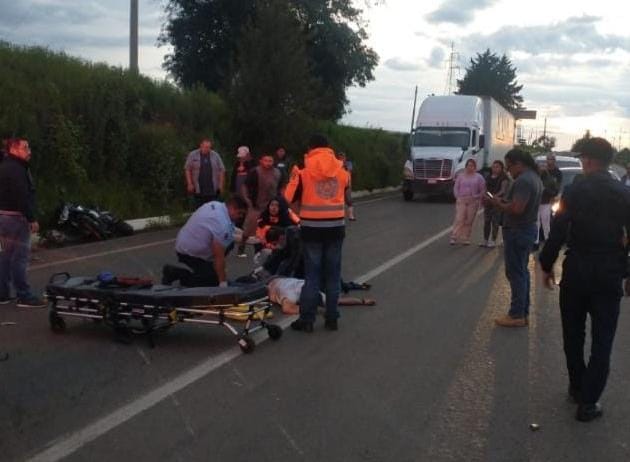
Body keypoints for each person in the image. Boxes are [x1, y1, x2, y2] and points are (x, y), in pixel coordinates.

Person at [539, 137, 630, 422]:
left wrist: (546, 264)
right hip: (609, 273)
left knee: (573, 334)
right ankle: (588, 402)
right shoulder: (623, 193)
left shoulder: (575, 191)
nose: (581, 163)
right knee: (603, 340)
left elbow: (558, 229)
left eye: (582, 159)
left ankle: (577, 387)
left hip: (576, 270)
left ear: (589, 161)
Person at [284, 134, 350, 332]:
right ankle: (332, 318)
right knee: (333, 274)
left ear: (310, 148)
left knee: (312, 275)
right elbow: (346, 188)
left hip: (312, 229)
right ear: (328, 147)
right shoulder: (341, 169)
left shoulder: (304, 172)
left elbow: (287, 197)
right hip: (336, 228)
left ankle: (307, 320)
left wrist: (294, 177)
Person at [487, 148, 542, 327]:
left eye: (509, 166)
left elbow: (517, 209)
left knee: (516, 273)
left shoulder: (524, 180)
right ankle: (522, 312)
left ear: (518, 163)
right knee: (522, 272)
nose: (508, 171)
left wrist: (497, 204)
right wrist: (504, 203)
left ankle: (516, 314)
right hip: (525, 229)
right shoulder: (534, 177)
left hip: (518, 230)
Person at [0, 138, 47, 307]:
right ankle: (24, 295)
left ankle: (3, 294)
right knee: (20, 258)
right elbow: (21, 196)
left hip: (3, 218)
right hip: (16, 218)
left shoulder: (5, 165)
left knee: (5, 257)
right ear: (13, 148)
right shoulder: (16, 169)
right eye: (25, 147)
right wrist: (31, 218)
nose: (29, 151)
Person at [164, 196, 248, 287]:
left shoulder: (216, 205)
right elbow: (219, 257)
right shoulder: (222, 223)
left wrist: (249, 237)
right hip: (189, 254)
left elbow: (231, 231)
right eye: (239, 213)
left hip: (184, 244)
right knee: (211, 282)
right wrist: (223, 283)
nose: (241, 217)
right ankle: (177, 274)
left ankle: (207, 269)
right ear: (232, 207)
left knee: (229, 242)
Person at [238, 153, 282, 257]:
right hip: (256, 205)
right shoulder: (255, 172)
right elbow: (245, 186)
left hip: (271, 205)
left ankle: (270, 250)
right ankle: (241, 247)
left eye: (270, 161)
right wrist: (247, 200)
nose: (268, 163)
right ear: (261, 161)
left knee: (272, 229)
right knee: (249, 229)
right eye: (266, 161)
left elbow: (281, 188)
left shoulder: (277, 173)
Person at [268, 276, 375, 315]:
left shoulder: (315, 291)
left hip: (284, 279)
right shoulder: (291, 295)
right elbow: (287, 309)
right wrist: (315, 310)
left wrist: (362, 301)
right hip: (270, 283)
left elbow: (339, 300)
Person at [450, 159, 485, 245]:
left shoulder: (479, 177)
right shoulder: (461, 176)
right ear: (466, 167)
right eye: (468, 165)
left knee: (469, 220)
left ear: (475, 167)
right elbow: (456, 187)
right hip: (462, 199)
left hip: (473, 201)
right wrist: (457, 196)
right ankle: (454, 236)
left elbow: (483, 189)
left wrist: (477, 197)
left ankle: (465, 237)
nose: (470, 167)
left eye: (472, 166)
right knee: (459, 218)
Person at [184, 138, 226, 208]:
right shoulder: (193, 154)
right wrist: (189, 183)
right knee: (199, 208)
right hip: (198, 188)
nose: (208, 149)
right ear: (201, 146)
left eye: (209, 147)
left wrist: (221, 185)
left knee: (212, 209)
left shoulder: (215, 155)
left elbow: (222, 170)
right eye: (206, 147)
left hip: (212, 189)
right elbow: (187, 169)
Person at [481, 160, 510, 248]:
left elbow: (503, 190)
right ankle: (485, 240)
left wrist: (494, 197)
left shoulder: (504, 178)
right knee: (486, 221)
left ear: (501, 168)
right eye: (493, 166)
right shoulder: (488, 177)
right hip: (488, 202)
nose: (495, 168)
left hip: (497, 202)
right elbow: (485, 188)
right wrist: (486, 195)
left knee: (495, 222)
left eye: (497, 167)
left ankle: (493, 240)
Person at [533, 167, 560, 251]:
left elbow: (555, 192)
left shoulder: (550, 180)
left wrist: (546, 190)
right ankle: (535, 242)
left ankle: (547, 241)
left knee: (546, 223)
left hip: (545, 203)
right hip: (536, 203)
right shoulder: (535, 179)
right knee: (536, 223)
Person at [337, 152, 356, 221]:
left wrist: (342, 165)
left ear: (345, 157)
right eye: (340, 157)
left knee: (349, 200)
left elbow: (349, 169)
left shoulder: (348, 163)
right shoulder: (336, 164)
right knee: (339, 201)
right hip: (338, 185)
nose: (341, 158)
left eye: (343, 157)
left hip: (347, 184)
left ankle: (351, 216)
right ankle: (340, 215)